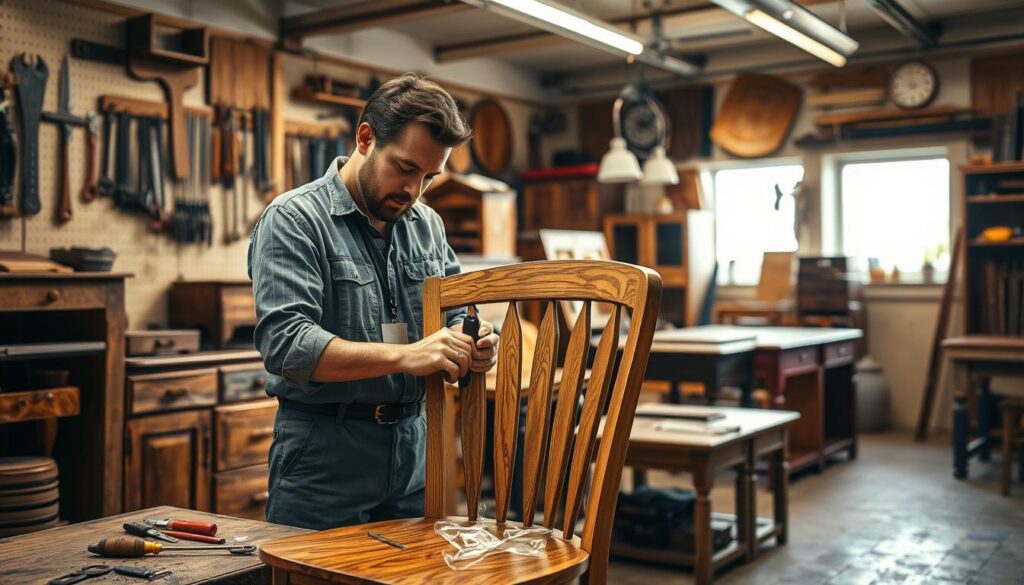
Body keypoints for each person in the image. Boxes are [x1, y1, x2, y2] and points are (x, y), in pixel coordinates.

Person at [248, 73, 499, 530]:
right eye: (404, 168)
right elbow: (287, 346)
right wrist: (407, 356)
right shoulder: (294, 219)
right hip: (325, 459)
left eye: (428, 176)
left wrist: (476, 341)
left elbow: (459, 313)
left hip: (414, 454)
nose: (414, 190)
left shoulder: (427, 225)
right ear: (366, 138)